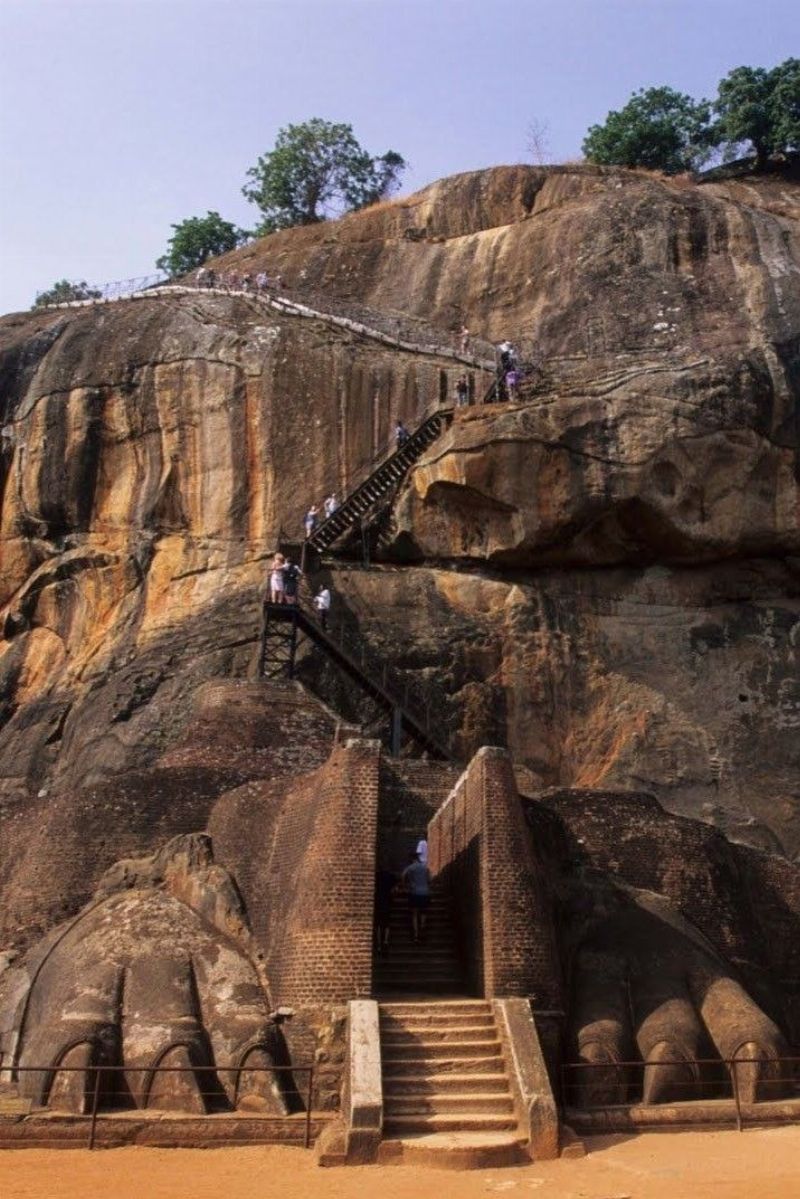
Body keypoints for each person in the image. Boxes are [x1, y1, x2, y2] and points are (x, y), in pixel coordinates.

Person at [402, 851, 431, 943]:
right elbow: (430, 879)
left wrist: (405, 885)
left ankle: (416, 935)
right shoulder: (425, 867)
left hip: (414, 892)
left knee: (414, 914)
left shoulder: (410, 867)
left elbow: (403, 875)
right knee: (423, 913)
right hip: (425, 892)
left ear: (412, 859)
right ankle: (423, 926)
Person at [374, 866, 396, 956]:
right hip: (387, 902)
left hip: (378, 902)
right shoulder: (390, 876)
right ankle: (385, 941)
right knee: (386, 924)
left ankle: (379, 944)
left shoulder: (376, 876)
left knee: (378, 925)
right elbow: (394, 889)